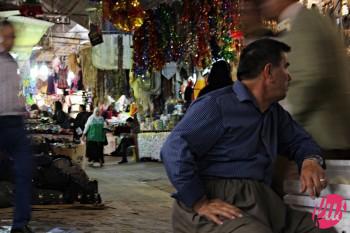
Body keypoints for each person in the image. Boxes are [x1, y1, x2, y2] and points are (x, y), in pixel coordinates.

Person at [161, 39, 334, 233]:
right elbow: (173, 149)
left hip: (264, 204)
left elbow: (300, 140)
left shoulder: (273, 113)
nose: (290, 76)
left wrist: (310, 160)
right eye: (285, 67)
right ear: (268, 72)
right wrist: (199, 202)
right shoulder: (217, 105)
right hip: (217, 205)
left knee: (323, 229)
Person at [260, 0, 350, 194]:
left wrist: (279, 121)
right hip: (322, 139)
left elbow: (310, 78)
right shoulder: (300, 22)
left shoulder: (303, 22)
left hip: (320, 139)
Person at [0, 20, 34, 233]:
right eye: (6, 36)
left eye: (12, 36)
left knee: (25, 171)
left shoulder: (12, 62)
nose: (9, 40)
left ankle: (20, 225)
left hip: (15, 124)